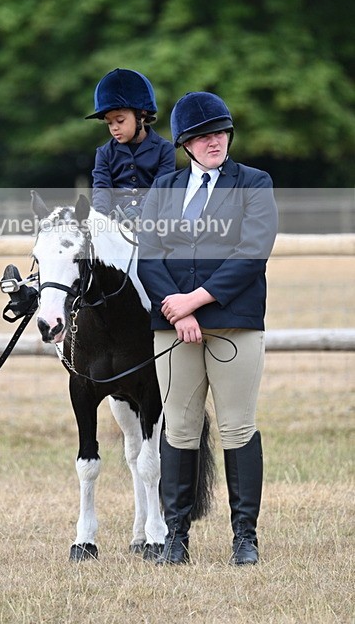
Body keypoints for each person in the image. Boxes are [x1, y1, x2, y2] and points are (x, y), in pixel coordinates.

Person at [137, 90, 278, 566]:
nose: (213, 141)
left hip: (234, 324)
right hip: (174, 327)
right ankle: (175, 538)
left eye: (219, 132)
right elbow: (149, 256)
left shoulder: (254, 183)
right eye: (201, 136)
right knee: (179, 427)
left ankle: (245, 538)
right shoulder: (164, 189)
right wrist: (179, 313)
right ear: (185, 144)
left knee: (238, 427)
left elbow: (252, 252)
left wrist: (194, 301)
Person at [86, 68, 175, 221]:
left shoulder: (165, 149)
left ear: (142, 115)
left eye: (120, 121)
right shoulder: (104, 153)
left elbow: (161, 188)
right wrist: (101, 218)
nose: (114, 128)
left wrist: (142, 210)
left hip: (154, 218)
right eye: (109, 123)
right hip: (115, 221)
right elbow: (102, 189)